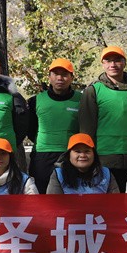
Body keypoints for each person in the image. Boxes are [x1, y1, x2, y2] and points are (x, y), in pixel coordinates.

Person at [79, 46, 127, 191]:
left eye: (117, 60)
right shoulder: (93, 91)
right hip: (104, 158)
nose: (112, 64)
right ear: (103, 64)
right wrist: (88, 156)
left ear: (124, 62)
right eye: (108, 61)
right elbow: (86, 128)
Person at [27, 58, 81, 193]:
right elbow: (30, 128)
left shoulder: (82, 99)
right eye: (56, 74)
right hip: (43, 156)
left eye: (64, 74)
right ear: (49, 77)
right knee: (43, 196)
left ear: (72, 77)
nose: (60, 78)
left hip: (71, 154)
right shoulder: (36, 100)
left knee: (71, 194)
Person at [46, 133, 120, 194]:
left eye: (87, 151)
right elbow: (53, 203)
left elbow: (115, 201)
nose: (82, 155)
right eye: (77, 151)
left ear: (94, 154)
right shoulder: (58, 175)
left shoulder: (106, 173)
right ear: (69, 155)